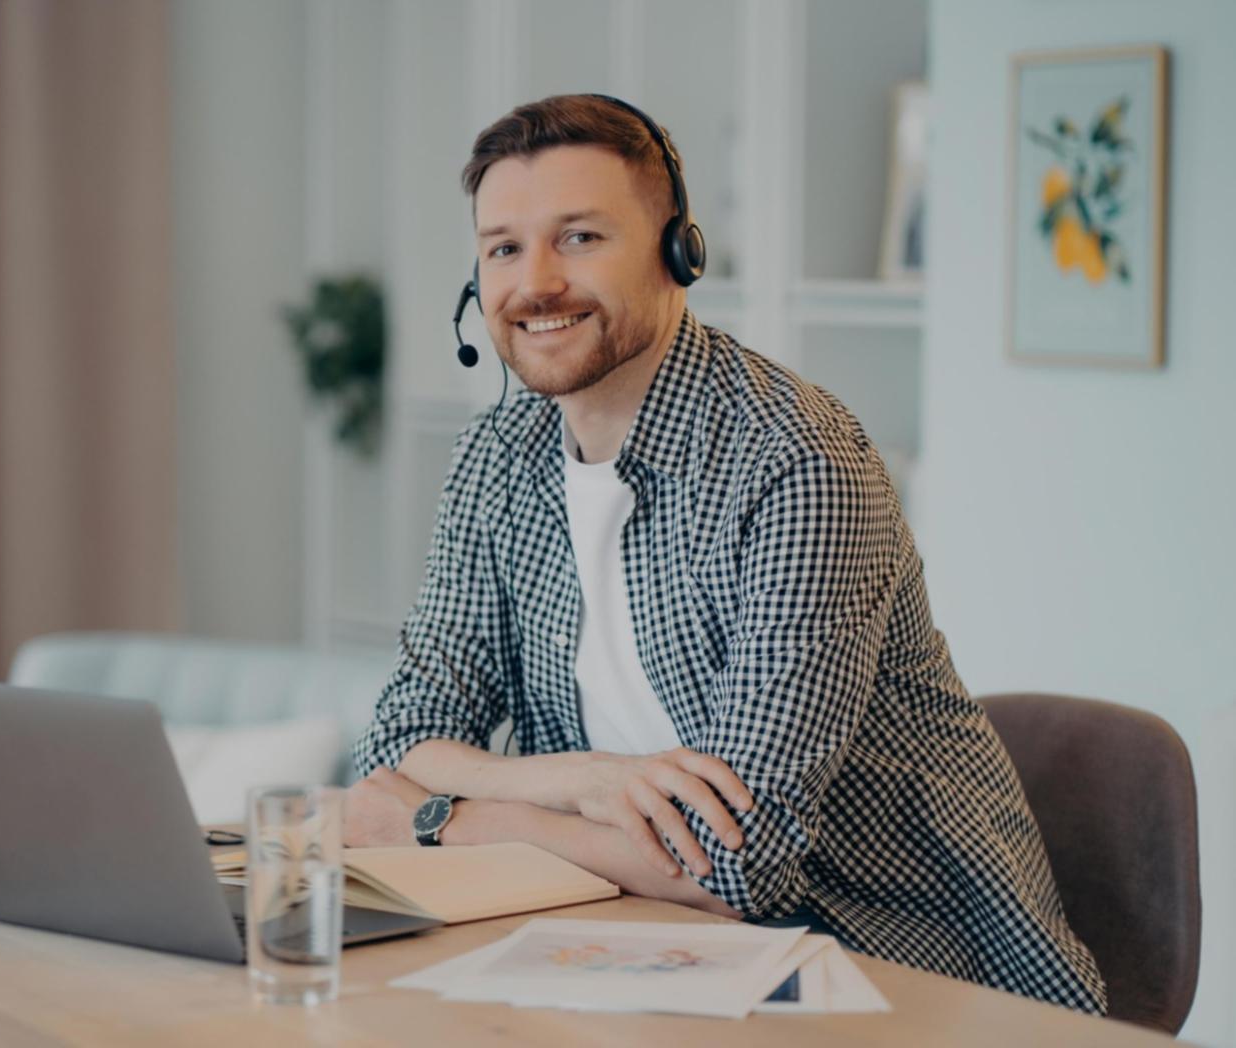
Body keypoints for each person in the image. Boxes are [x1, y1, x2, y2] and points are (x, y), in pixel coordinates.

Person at [346, 94, 1105, 1014]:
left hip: (902, 976)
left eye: (579, 238)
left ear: (678, 254)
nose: (534, 282)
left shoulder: (796, 465)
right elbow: (400, 737)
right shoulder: (497, 460)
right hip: (632, 954)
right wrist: (581, 780)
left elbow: (736, 864)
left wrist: (442, 819)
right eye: (504, 247)